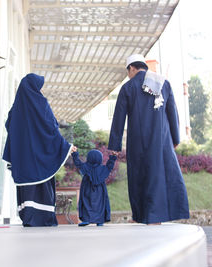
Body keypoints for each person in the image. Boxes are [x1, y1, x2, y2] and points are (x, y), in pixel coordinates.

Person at [108, 54, 190, 224]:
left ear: (131, 68)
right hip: (162, 140)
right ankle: (158, 216)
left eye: (128, 72)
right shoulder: (163, 83)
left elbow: (118, 118)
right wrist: (175, 138)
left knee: (140, 176)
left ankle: (141, 216)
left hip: (139, 141)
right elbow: (172, 113)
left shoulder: (128, 87)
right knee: (161, 175)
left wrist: (115, 145)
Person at [2, 73, 76, 226]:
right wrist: (65, 146)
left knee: (26, 186)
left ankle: (28, 217)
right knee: (42, 184)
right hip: (40, 156)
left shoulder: (16, 108)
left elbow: (9, 126)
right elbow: (51, 127)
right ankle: (42, 218)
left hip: (23, 158)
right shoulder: (40, 103)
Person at [71, 149, 117, 227]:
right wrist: (113, 156)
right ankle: (100, 220)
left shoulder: (85, 167)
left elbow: (78, 163)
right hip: (100, 189)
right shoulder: (103, 169)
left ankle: (86, 219)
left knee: (86, 202)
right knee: (100, 203)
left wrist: (75, 153)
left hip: (87, 188)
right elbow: (110, 166)